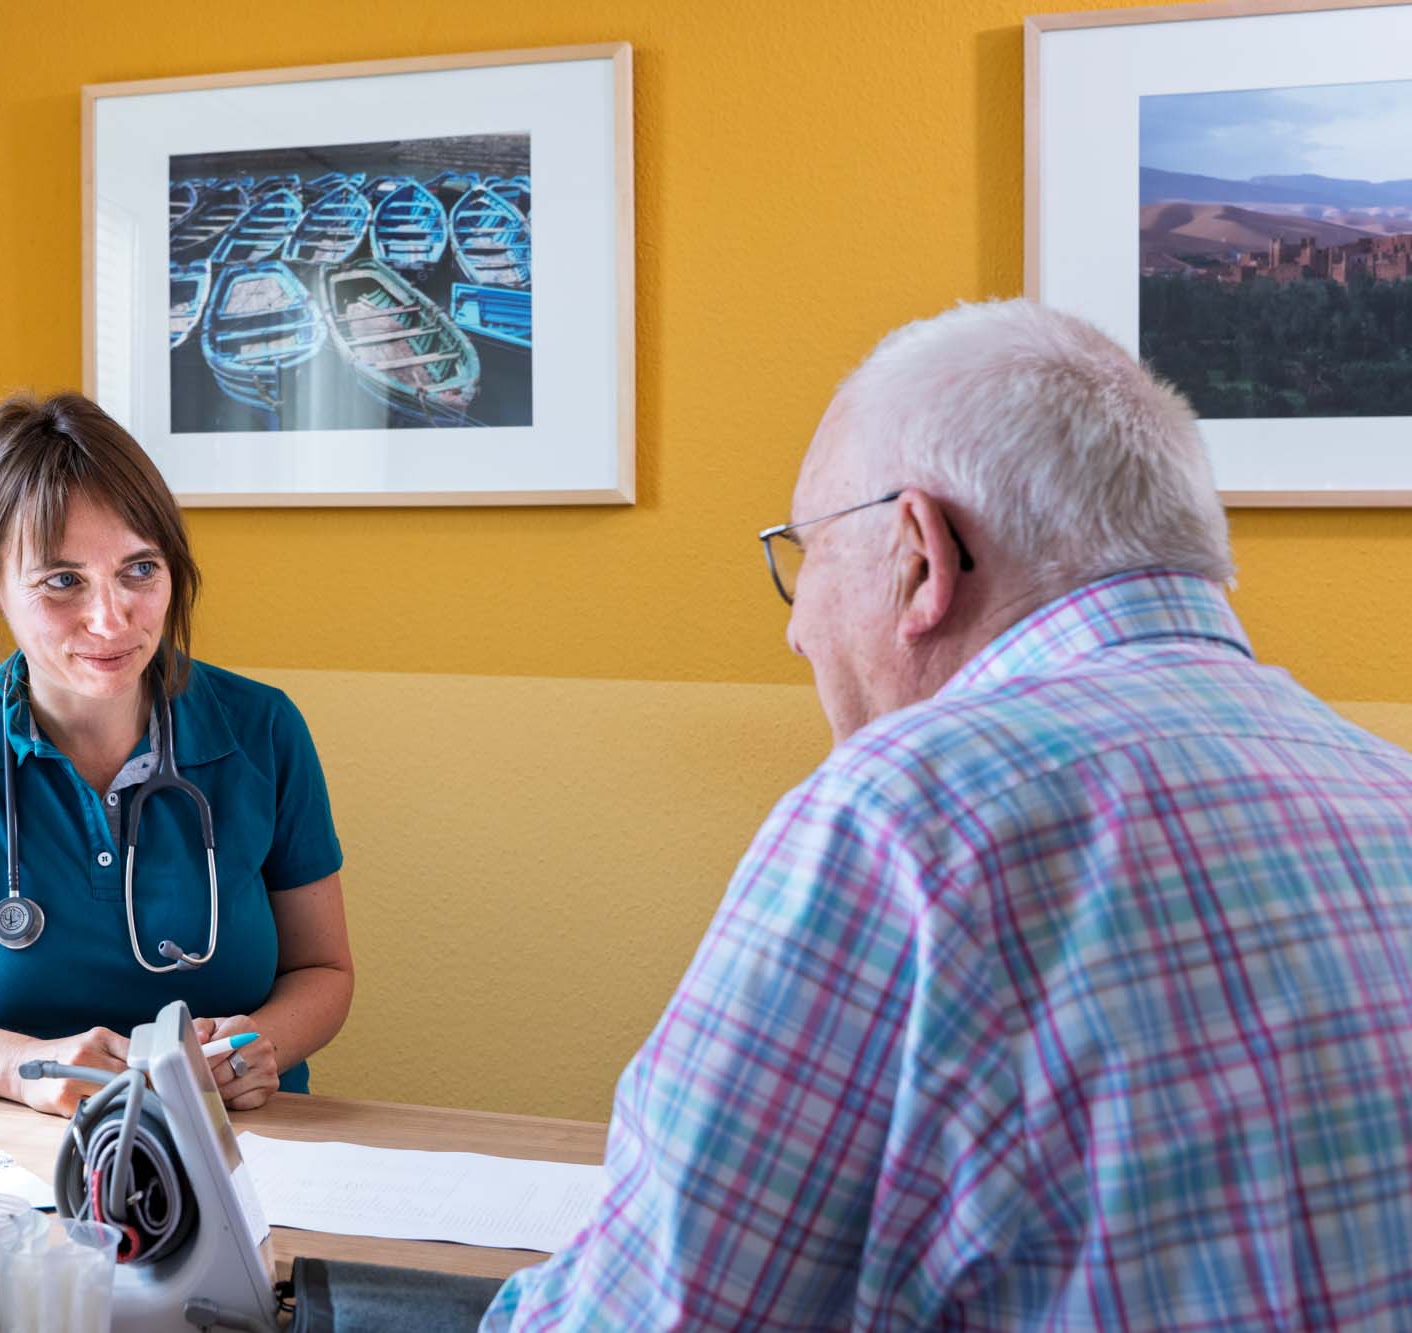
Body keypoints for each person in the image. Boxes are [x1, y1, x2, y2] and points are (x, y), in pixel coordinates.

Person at [484, 300, 1412, 1330]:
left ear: (920, 556)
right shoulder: (1384, 783)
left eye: (803, 557)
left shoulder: (902, 814)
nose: (795, 630)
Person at [0, 392, 353, 1116]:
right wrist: (21, 1066)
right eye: (64, 580)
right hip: (18, 1151)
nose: (110, 618)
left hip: (245, 1143)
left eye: (139, 570)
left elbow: (324, 968)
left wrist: (262, 1046)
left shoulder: (262, 729)